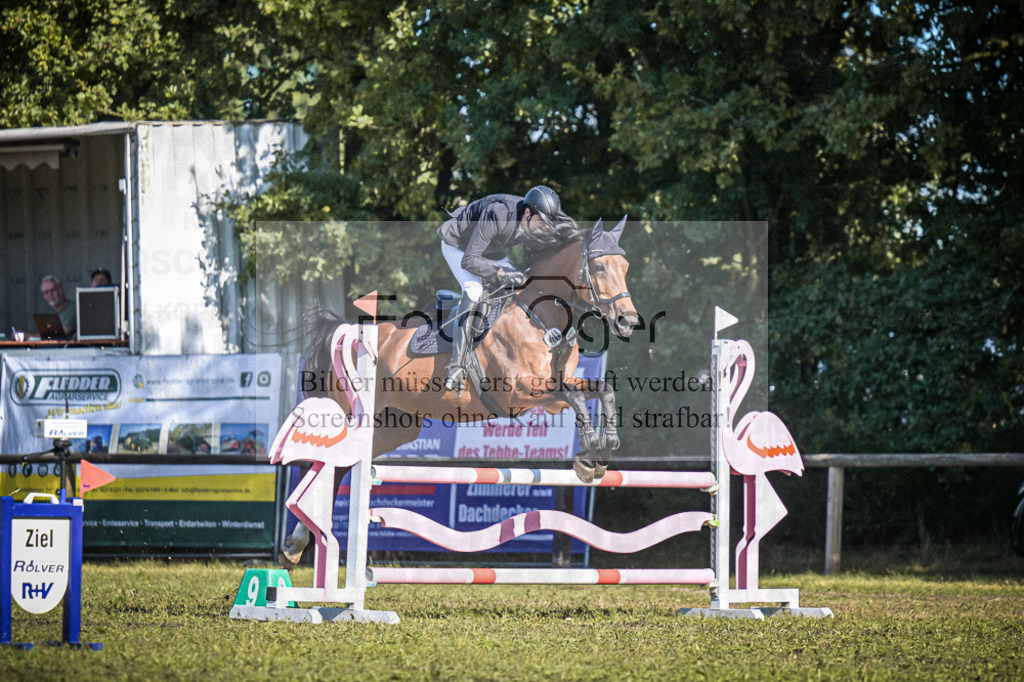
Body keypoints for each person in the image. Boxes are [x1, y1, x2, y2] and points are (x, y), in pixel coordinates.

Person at [436, 185, 578, 391]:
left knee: (524, 285)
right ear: (528, 213)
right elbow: (470, 260)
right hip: (459, 246)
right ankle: (457, 366)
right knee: (474, 290)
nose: (545, 228)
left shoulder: (534, 222)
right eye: (543, 222)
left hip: (491, 248)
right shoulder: (499, 214)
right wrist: (500, 274)